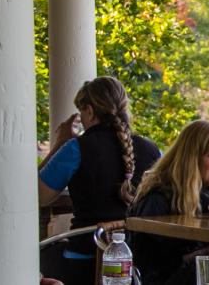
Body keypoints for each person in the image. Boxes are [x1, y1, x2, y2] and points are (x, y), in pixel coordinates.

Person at [38, 77, 162, 285]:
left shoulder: (77, 148)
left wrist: (59, 143)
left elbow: (41, 196)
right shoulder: (151, 150)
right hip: (137, 260)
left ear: (89, 111)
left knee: (38, 259)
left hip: (84, 258)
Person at [128, 120, 209, 285]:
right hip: (166, 278)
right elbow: (146, 265)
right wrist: (194, 257)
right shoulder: (159, 198)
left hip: (203, 272)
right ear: (191, 158)